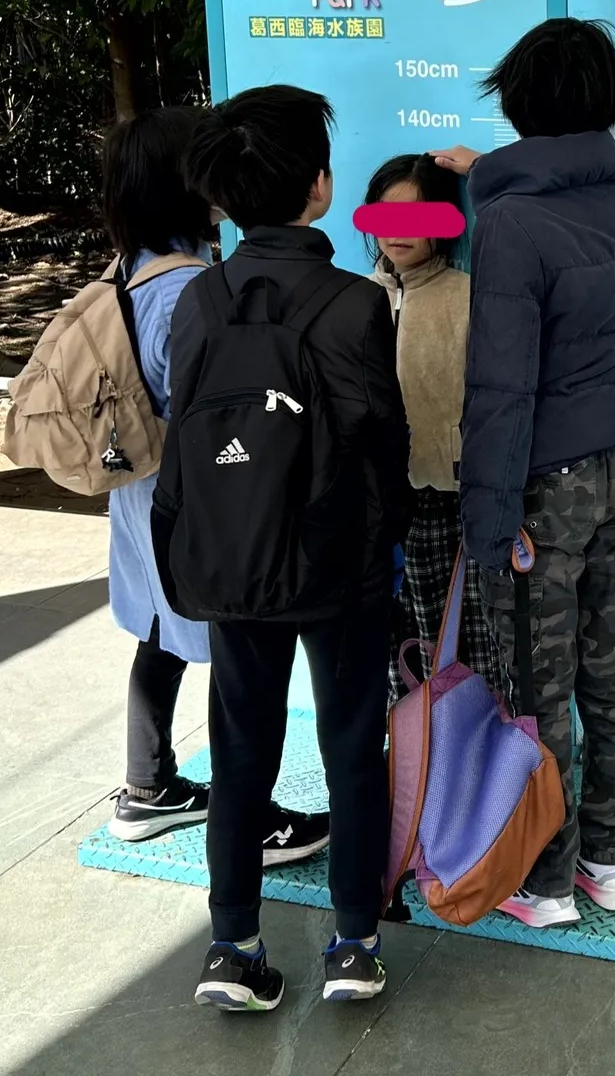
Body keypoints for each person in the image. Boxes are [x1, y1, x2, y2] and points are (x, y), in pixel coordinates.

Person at [163, 86, 409, 1009]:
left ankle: (232, 948)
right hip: (337, 566)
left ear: (225, 198)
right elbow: (383, 446)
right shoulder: (354, 304)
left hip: (227, 561)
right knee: (352, 744)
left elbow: (184, 424)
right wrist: (384, 550)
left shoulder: (198, 303)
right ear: (319, 186)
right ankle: (352, 945)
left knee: (240, 750)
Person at [433, 17, 615, 929]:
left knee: (537, 680)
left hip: (544, 482)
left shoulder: (512, 225)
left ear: (521, 104)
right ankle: (612, 859)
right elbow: (555, 196)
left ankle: (546, 880)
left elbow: (501, 387)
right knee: (612, 668)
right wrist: (486, 173)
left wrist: (487, 524)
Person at [103, 108, 327, 869]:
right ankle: (251, 817)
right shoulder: (191, 288)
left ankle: (149, 785)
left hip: (139, 488)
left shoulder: (133, 269)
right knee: (231, 652)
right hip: (197, 492)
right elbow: (205, 403)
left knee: (160, 632)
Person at [364, 153, 501, 701]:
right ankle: (413, 766)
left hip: (443, 500)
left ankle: (476, 766)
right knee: (391, 649)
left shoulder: (468, 299)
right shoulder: (357, 298)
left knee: (460, 647)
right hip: (372, 505)